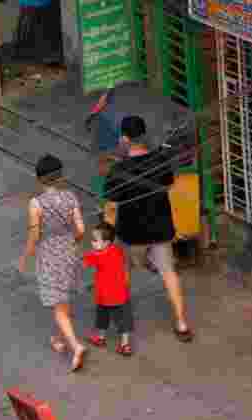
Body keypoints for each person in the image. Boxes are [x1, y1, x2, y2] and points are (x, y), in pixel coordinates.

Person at [104, 115, 194, 342]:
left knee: (123, 275)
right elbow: (170, 183)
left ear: (124, 138)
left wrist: (106, 233)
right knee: (169, 273)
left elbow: (112, 205)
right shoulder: (161, 160)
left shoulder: (118, 170)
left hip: (130, 233)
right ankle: (182, 323)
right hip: (160, 229)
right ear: (144, 135)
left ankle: (124, 326)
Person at [18, 154, 88, 372]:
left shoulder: (35, 203)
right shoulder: (71, 197)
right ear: (60, 177)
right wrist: (71, 243)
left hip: (49, 257)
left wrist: (24, 258)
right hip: (70, 252)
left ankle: (76, 346)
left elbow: (34, 236)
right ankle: (60, 339)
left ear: (39, 179)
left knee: (58, 306)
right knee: (63, 300)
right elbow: (82, 230)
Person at [83, 222, 134, 356]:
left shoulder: (96, 255)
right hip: (121, 295)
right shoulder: (116, 250)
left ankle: (100, 338)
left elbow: (84, 263)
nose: (92, 242)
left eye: (95, 240)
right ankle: (125, 345)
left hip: (104, 297)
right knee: (123, 320)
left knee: (102, 318)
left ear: (105, 242)